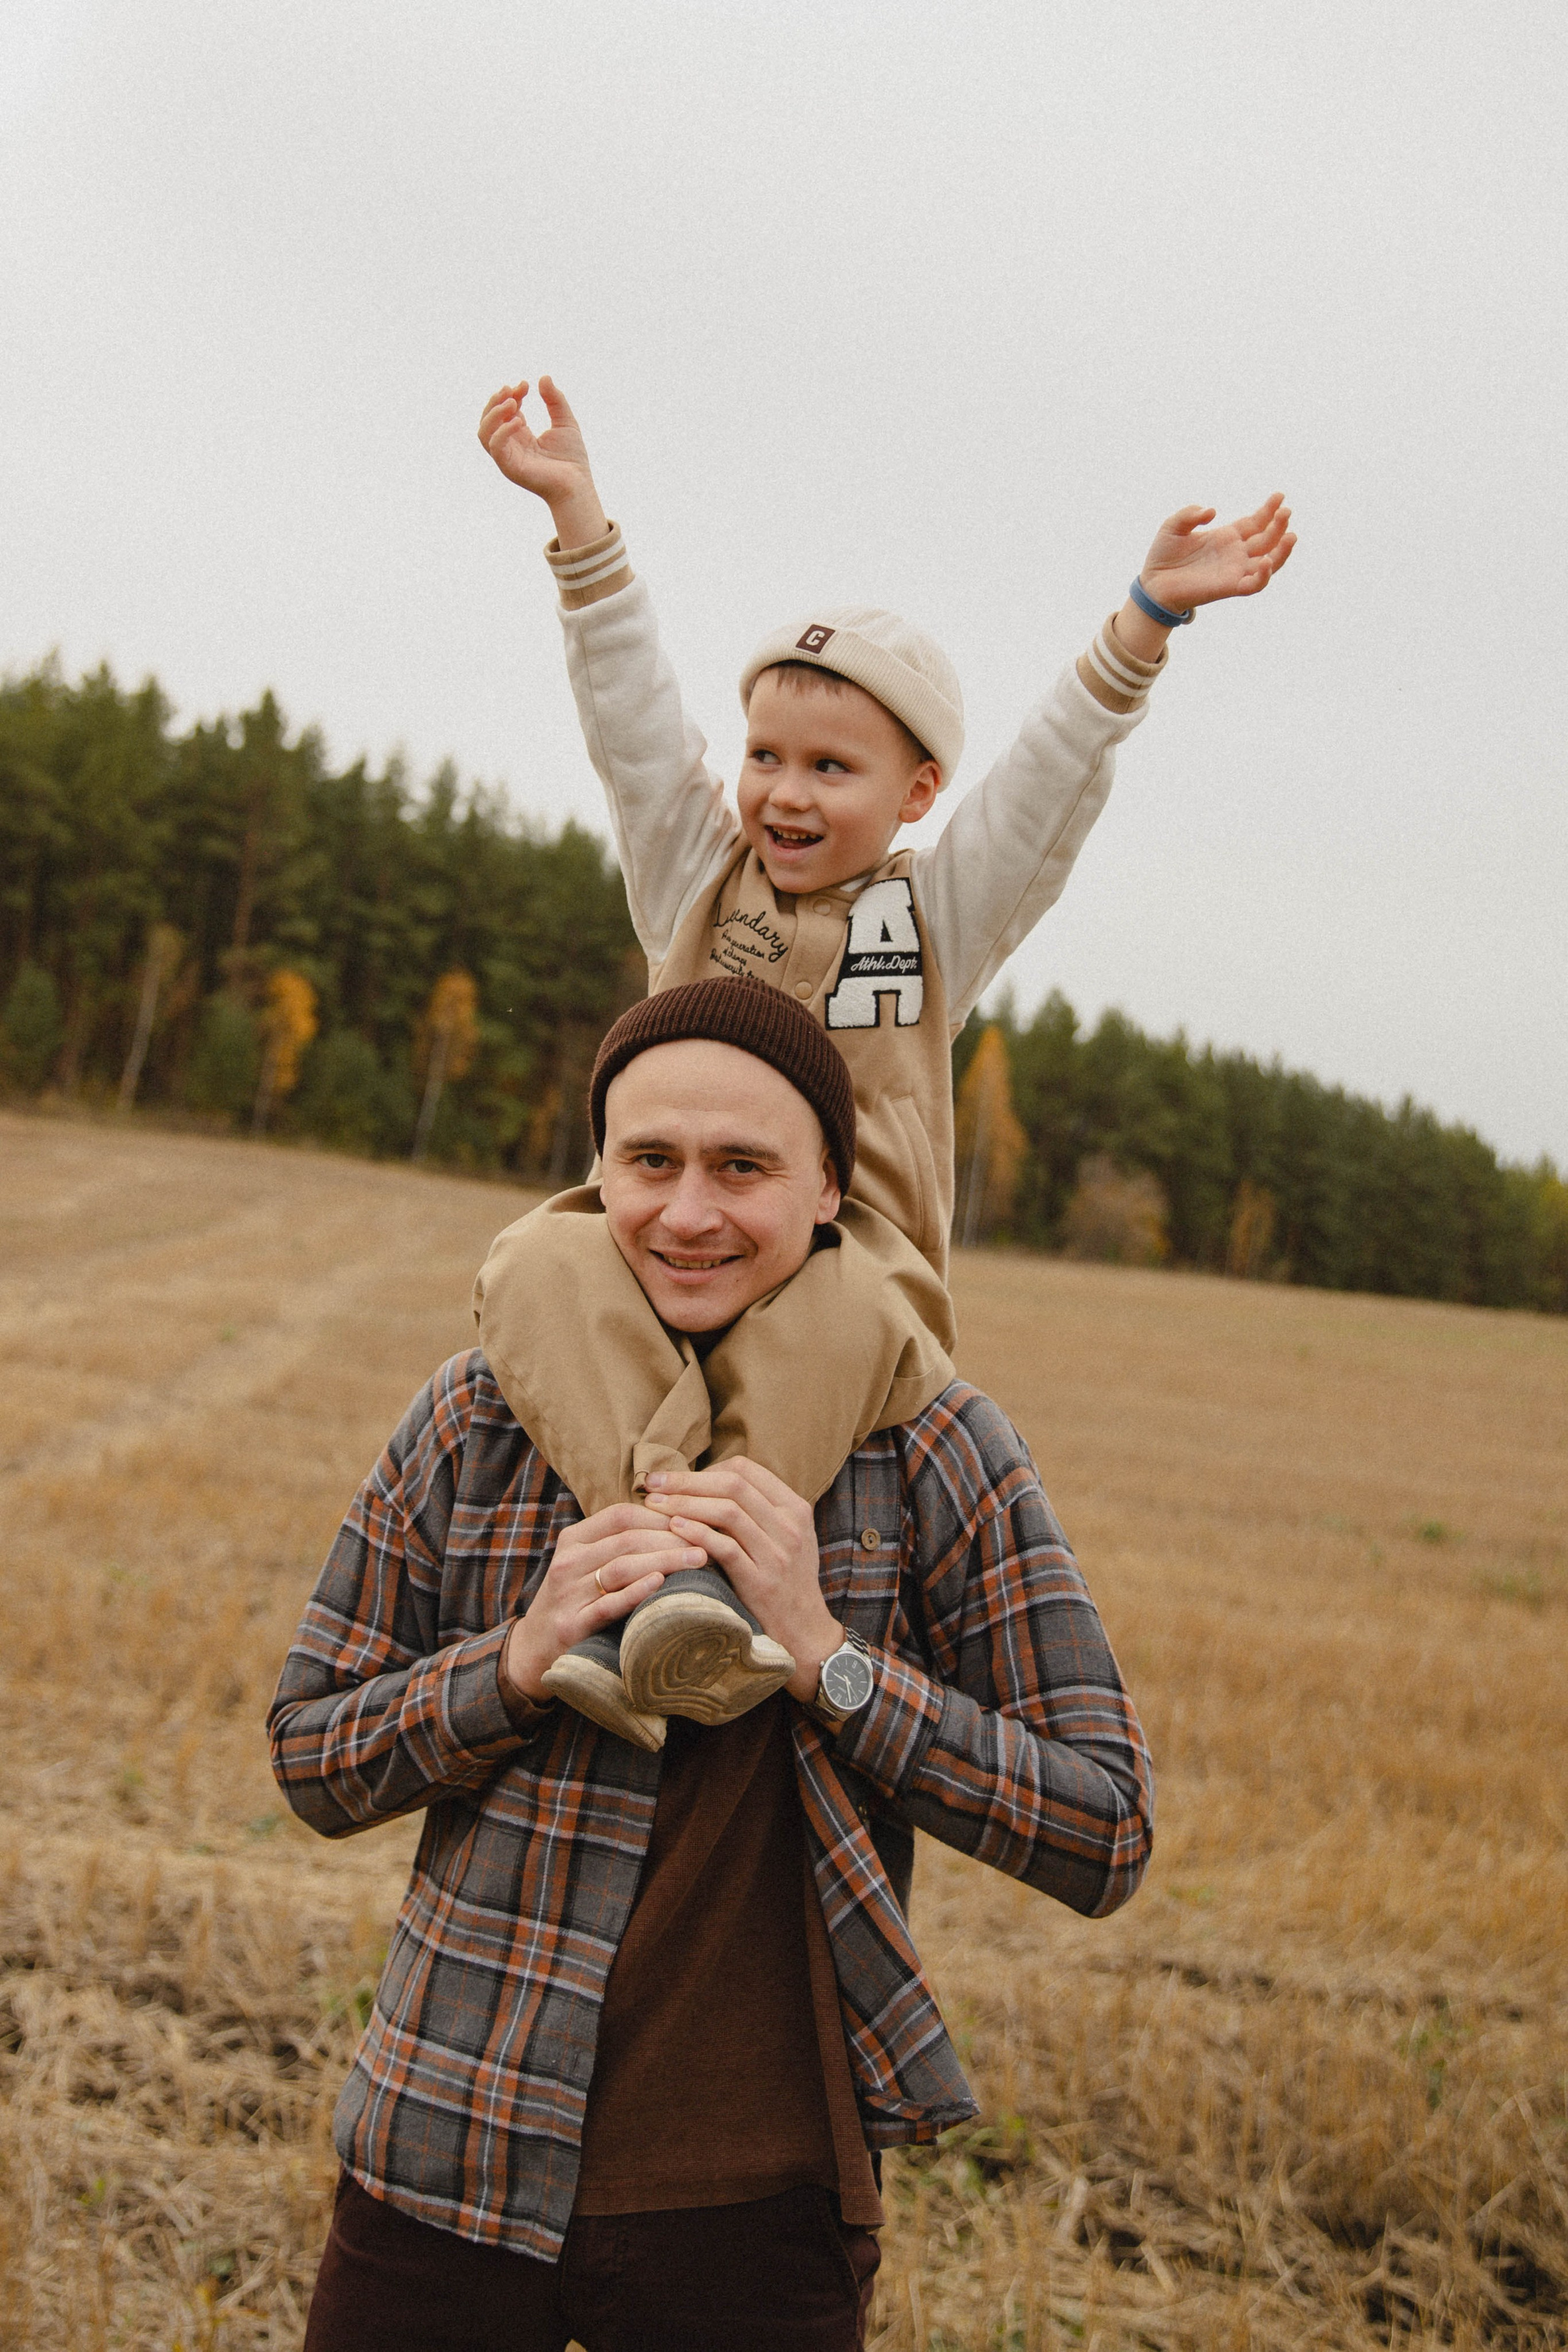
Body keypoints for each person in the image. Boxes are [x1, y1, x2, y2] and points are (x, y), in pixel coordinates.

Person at [271, 986, 1153, 2352]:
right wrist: (512, 1662)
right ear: (598, 1176)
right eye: (650, 1163)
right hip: (443, 2154)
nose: (687, 1214)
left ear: (827, 1192)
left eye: (741, 1168)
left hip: (755, 2216)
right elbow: (311, 1759)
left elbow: (1102, 1828)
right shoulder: (476, 1412)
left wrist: (825, 1655)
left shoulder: (930, 1447)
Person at [470, 371, 1294, 1736]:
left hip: (856, 1263)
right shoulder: (694, 874)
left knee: (845, 1324)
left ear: (915, 794)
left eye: (831, 769)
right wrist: (578, 525)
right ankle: (639, 1576)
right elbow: (628, 728)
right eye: (765, 755)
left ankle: (703, 1601)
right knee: (528, 1264)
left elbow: (1042, 789)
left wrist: (1141, 625)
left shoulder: (933, 917)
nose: (784, 793)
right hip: (672, 1227)